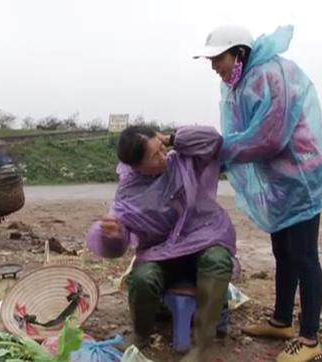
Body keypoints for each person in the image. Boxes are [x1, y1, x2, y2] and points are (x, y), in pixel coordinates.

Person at [194, 25, 322, 362]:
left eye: (219, 58)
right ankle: (282, 320)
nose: (215, 66)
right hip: (280, 183)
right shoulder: (238, 85)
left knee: (304, 255)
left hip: (301, 178)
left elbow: (268, 137)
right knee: (283, 252)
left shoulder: (271, 76)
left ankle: (309, 338)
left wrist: (219, 149)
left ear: (239, 53)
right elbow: (241, 131)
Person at [86, 125, 236, 362]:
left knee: (218, 259)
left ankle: (203, 343)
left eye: (161, 149)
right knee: (143, 278)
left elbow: (213, 140)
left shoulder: (182, 161)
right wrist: (114, 234)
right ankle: (141, 333)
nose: (163, 156)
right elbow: (122, 237)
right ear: (137, 166)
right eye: (154, 156)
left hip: (201, 239)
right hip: (161, 254)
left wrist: (172, 138)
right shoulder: (129, 191)